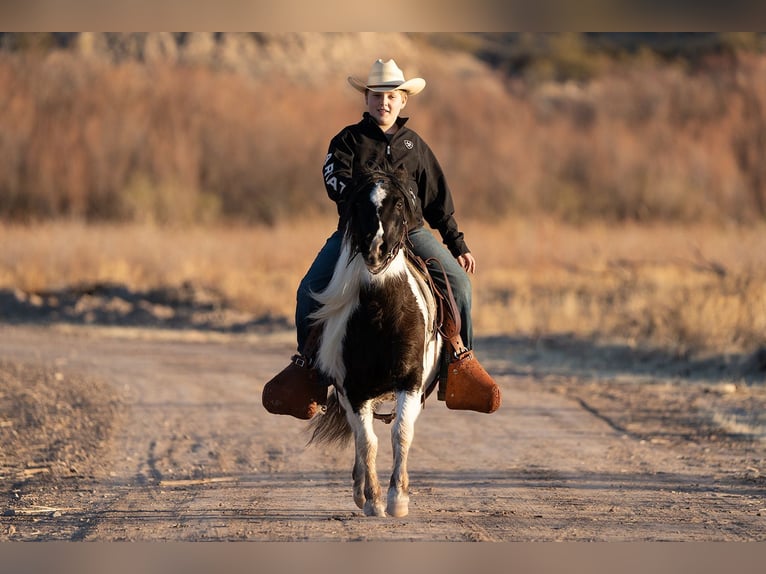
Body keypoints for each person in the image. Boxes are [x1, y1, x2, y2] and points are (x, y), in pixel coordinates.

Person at [262, 59, 500, 419]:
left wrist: (457, 244)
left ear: (403, 101)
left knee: (460, 285)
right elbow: (333, 182)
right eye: (377, 96)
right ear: (367, 99)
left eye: (391, 96)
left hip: (412, 233)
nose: (383, 103)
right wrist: (365, 193)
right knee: (309, 289)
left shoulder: (415, 146)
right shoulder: (346, 141)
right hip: (356, 236)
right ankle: (310, 371)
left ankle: (458, 362)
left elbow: (437, 202)